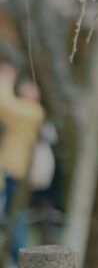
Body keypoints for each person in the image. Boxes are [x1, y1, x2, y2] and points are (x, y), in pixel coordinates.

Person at [0, 64, 45, 265]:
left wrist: (5, 79)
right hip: (12, 172)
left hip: (15, 173)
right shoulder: (28, 111)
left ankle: (18, 260)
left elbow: (5, 104)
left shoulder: (32, 112)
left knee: (15, 218)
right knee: (14, 217)